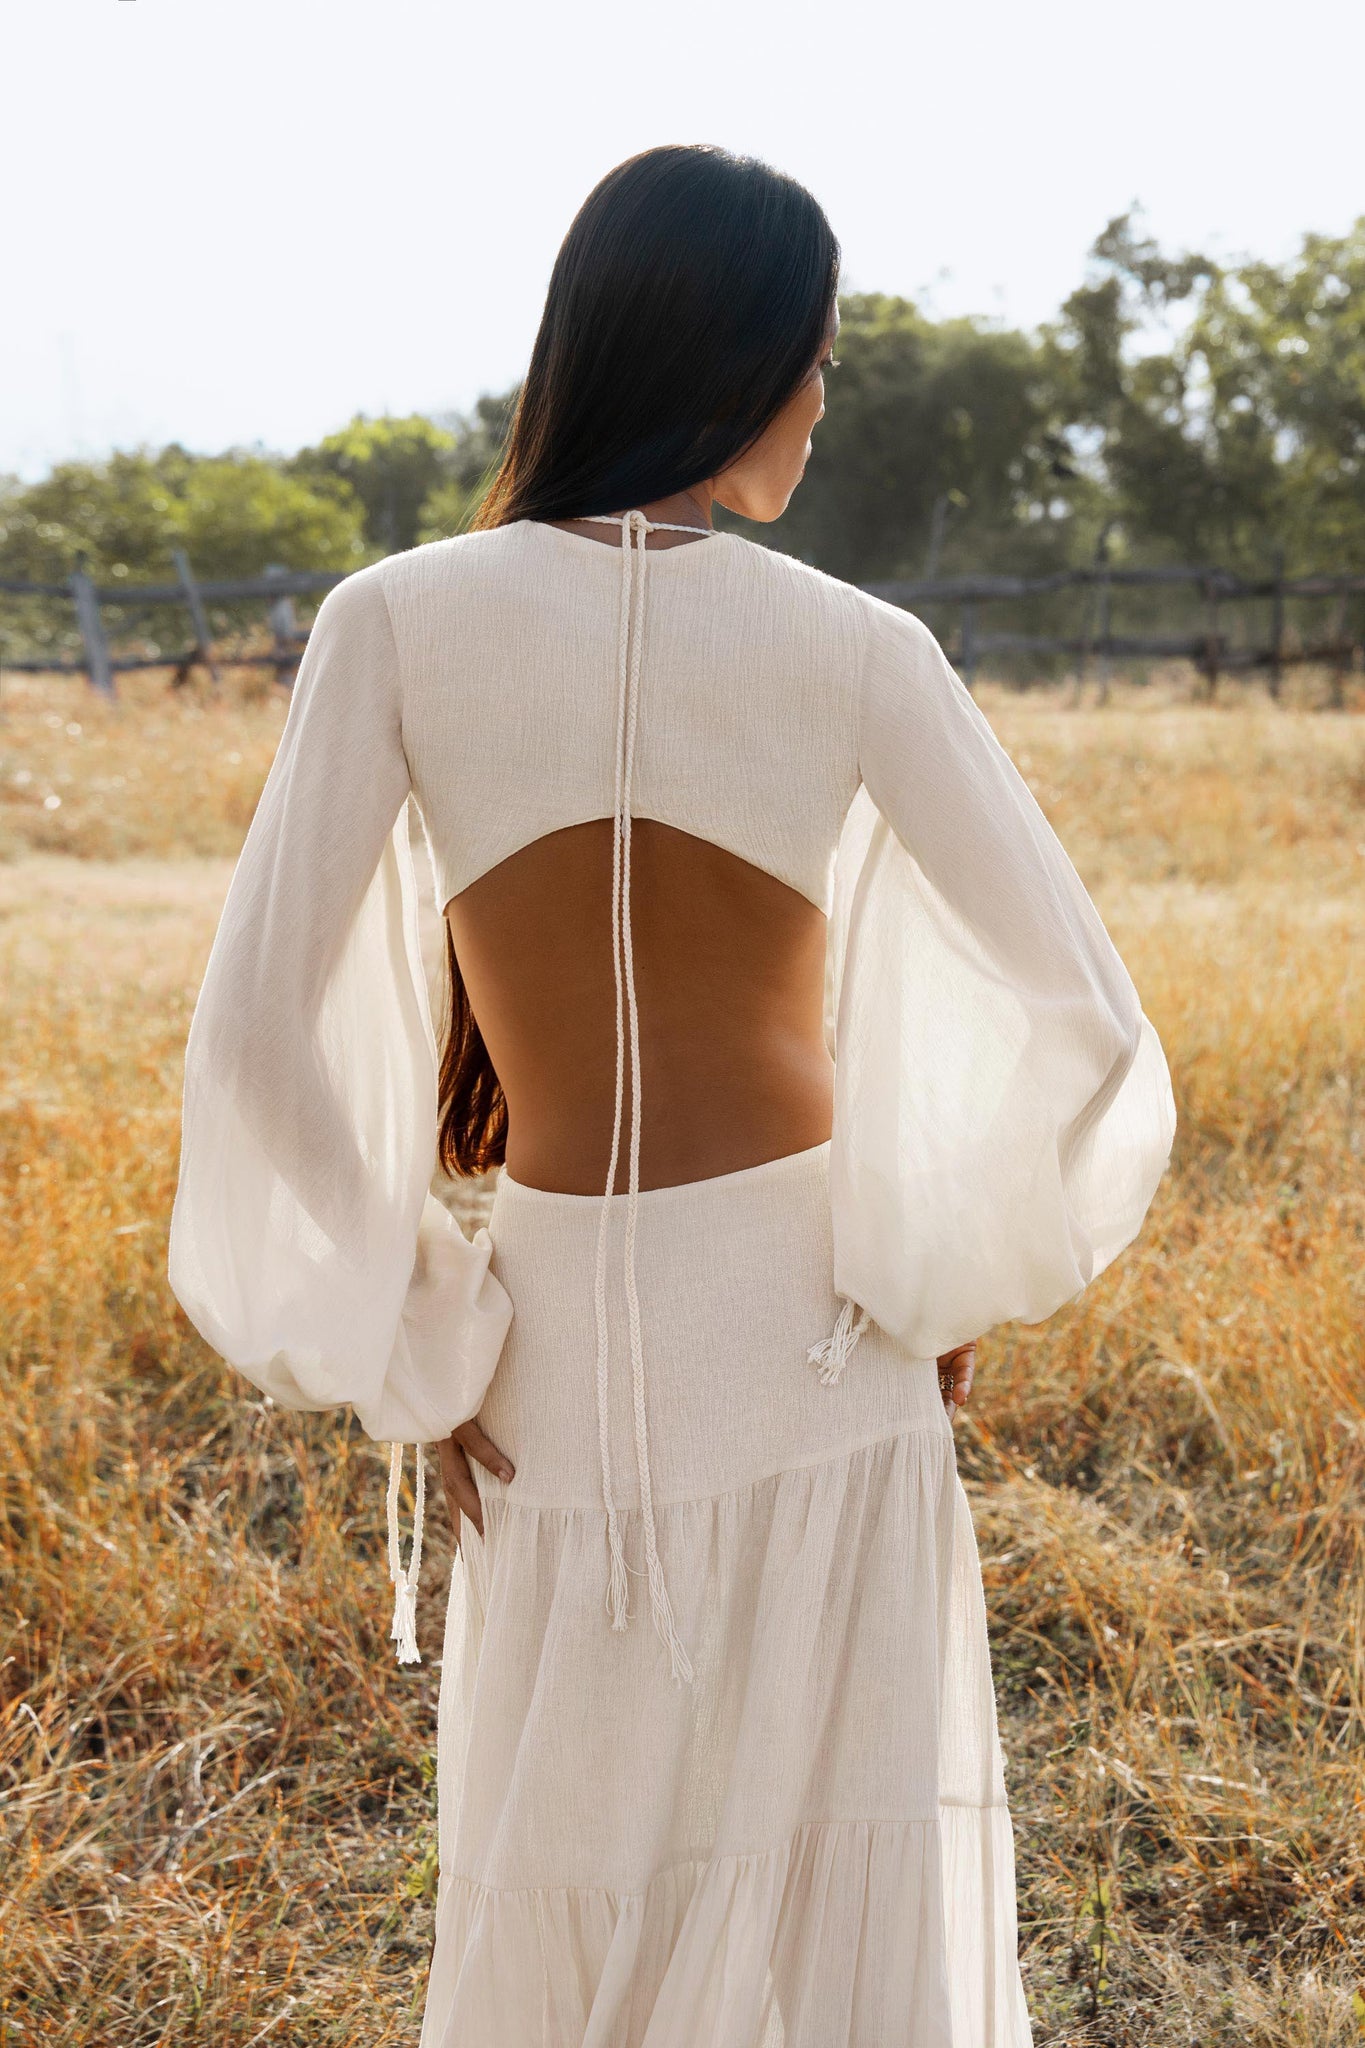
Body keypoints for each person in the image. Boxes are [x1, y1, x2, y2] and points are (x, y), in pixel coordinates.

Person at [168, 144, 1175, 2047]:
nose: (823, 395)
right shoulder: (858, 648)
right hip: (819, 1339)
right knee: (829, 1890)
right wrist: (925, 1261)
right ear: (736, 365)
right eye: (818, 352)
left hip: (550, 1353)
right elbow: (1086, 1019)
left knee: (572, 1883)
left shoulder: (394, 618)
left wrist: (427, 1330)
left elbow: (249, 1047)